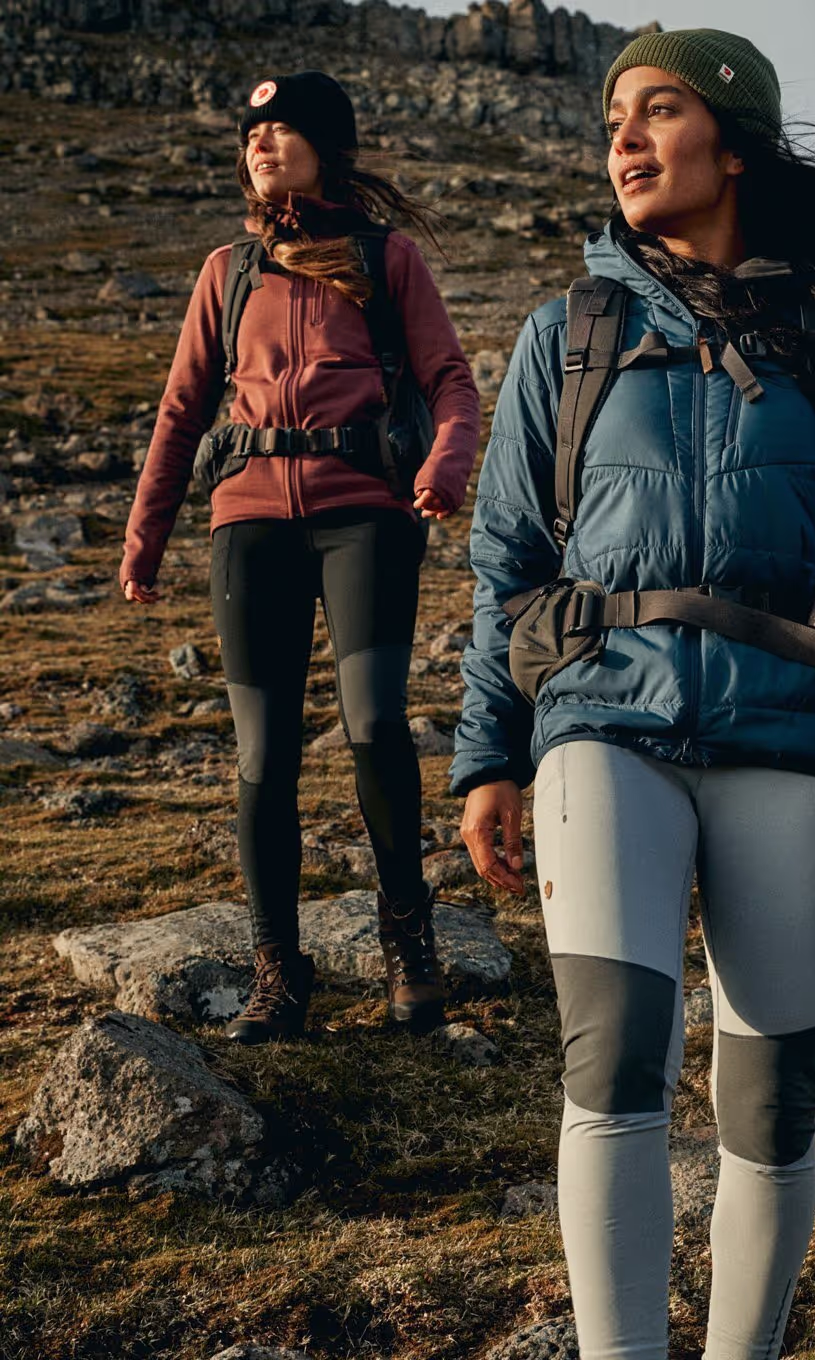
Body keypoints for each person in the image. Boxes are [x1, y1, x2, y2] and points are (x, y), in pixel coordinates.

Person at [451, 29, 815, 1360]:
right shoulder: (562, 337)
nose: (623, 139)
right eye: (614, 114)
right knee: (615, 1058)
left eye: (659, 110)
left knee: (772, 1099)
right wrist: (488, 756)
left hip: (793, 733)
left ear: (733, 143)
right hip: (601, 718)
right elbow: (507, 557)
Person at [120, 70, 482, 1043]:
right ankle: (280, 972)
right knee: (263, 753)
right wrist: (146, 531)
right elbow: (183, 407)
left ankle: (410, 942)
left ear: (328, 144)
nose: (264, 143)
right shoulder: (225, 272)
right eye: (254, 132)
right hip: (247, 527)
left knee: (371, 724)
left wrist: (444, 467)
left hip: (363, 514)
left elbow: (450, 380)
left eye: (284, 129)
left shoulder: (384, 257)